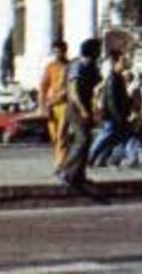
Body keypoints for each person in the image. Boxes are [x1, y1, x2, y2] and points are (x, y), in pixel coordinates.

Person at [57, 38, 102, 187]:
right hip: (76, 107)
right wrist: (83, 109)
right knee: (82, 140)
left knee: (87, 140)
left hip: (86, 105)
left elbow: (97, 84)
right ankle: (65, 171)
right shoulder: (77, 65)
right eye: (98, 50)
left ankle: (78, 175)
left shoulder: (91, 66)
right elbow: (73, 91)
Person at [87, 49, 131, 168]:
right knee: (104, 137)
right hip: (113, 116)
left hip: (118, 115)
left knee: (112, 139)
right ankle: (90, 158)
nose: (125, 63)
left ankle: (103, 159)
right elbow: (111, 100)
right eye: (123, 61)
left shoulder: (118, 78)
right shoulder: (113, 79)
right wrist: (118, 116)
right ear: (115, 62)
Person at [39, 40, 70, 169]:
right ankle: (61, 158)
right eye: (55, 51)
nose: (57, 53)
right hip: (51, 104)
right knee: (54, 135)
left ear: (64, 51)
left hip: (65, 103)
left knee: (62, 134)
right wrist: (42, 106)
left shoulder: (69, 66)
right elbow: (43, 86)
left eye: (60, 51)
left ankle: (61, 162)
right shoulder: (50, 67)